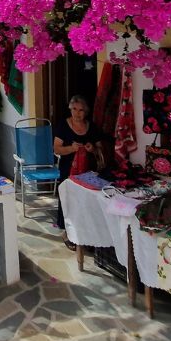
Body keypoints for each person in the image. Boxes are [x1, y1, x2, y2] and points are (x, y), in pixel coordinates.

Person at [53, 94, 105, 248]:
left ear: (86, 112)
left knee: (85, 201)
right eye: (74, 109)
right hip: (68, 170)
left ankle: (84, 233)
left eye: (81, 110)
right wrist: (71, 148)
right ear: (70, 109)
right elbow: (56, 149)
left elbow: (100, 147)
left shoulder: (91, 126)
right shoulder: (63, 125)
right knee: (67, 200)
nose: (77, 113)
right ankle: (67, 233)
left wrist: (92, 148)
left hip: (87, 172)